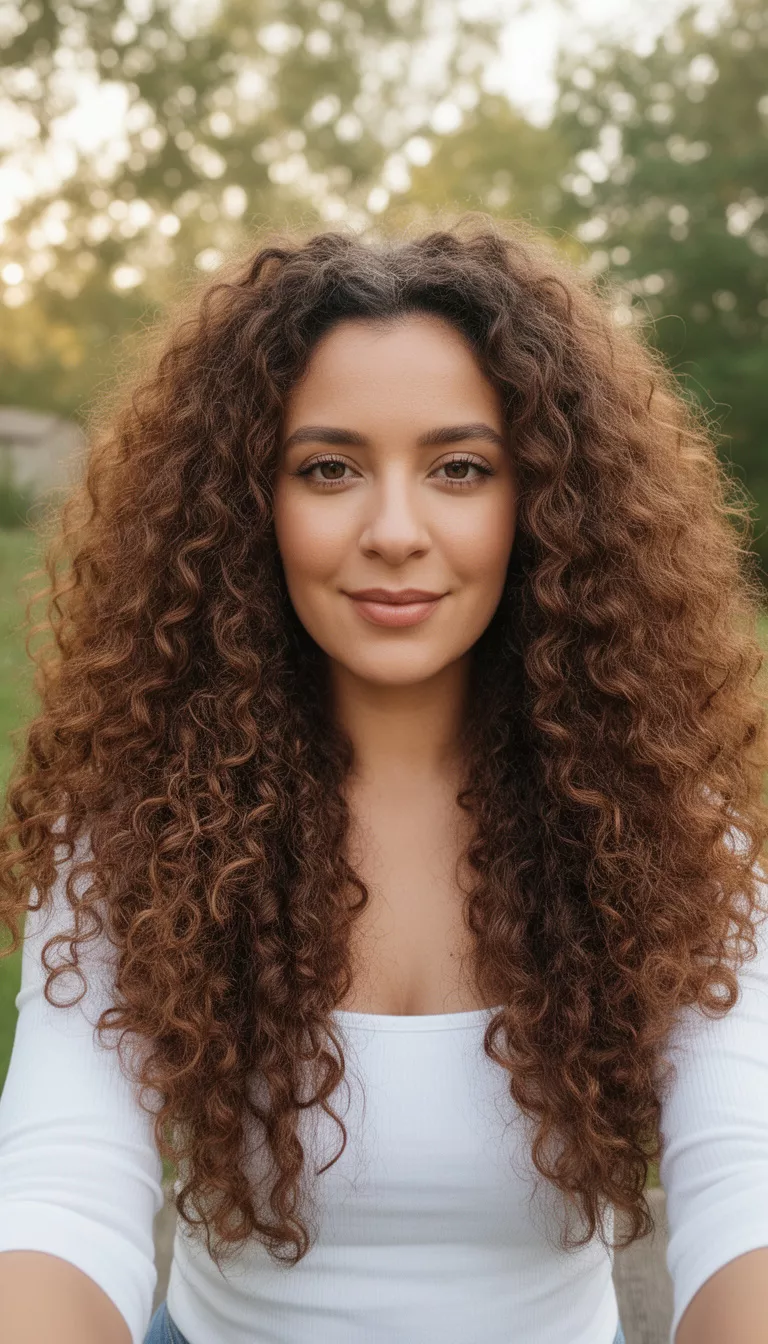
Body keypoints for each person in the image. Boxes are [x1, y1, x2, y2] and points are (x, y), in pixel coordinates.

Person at [0, 216, 767, 1344]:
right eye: (329, 469)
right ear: (247, 504)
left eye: (460, 468)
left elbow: (745, 1181)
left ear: (547, 500)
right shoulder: (133, 831)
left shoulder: (678, 839)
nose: (395, 530)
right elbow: (63, 1193)